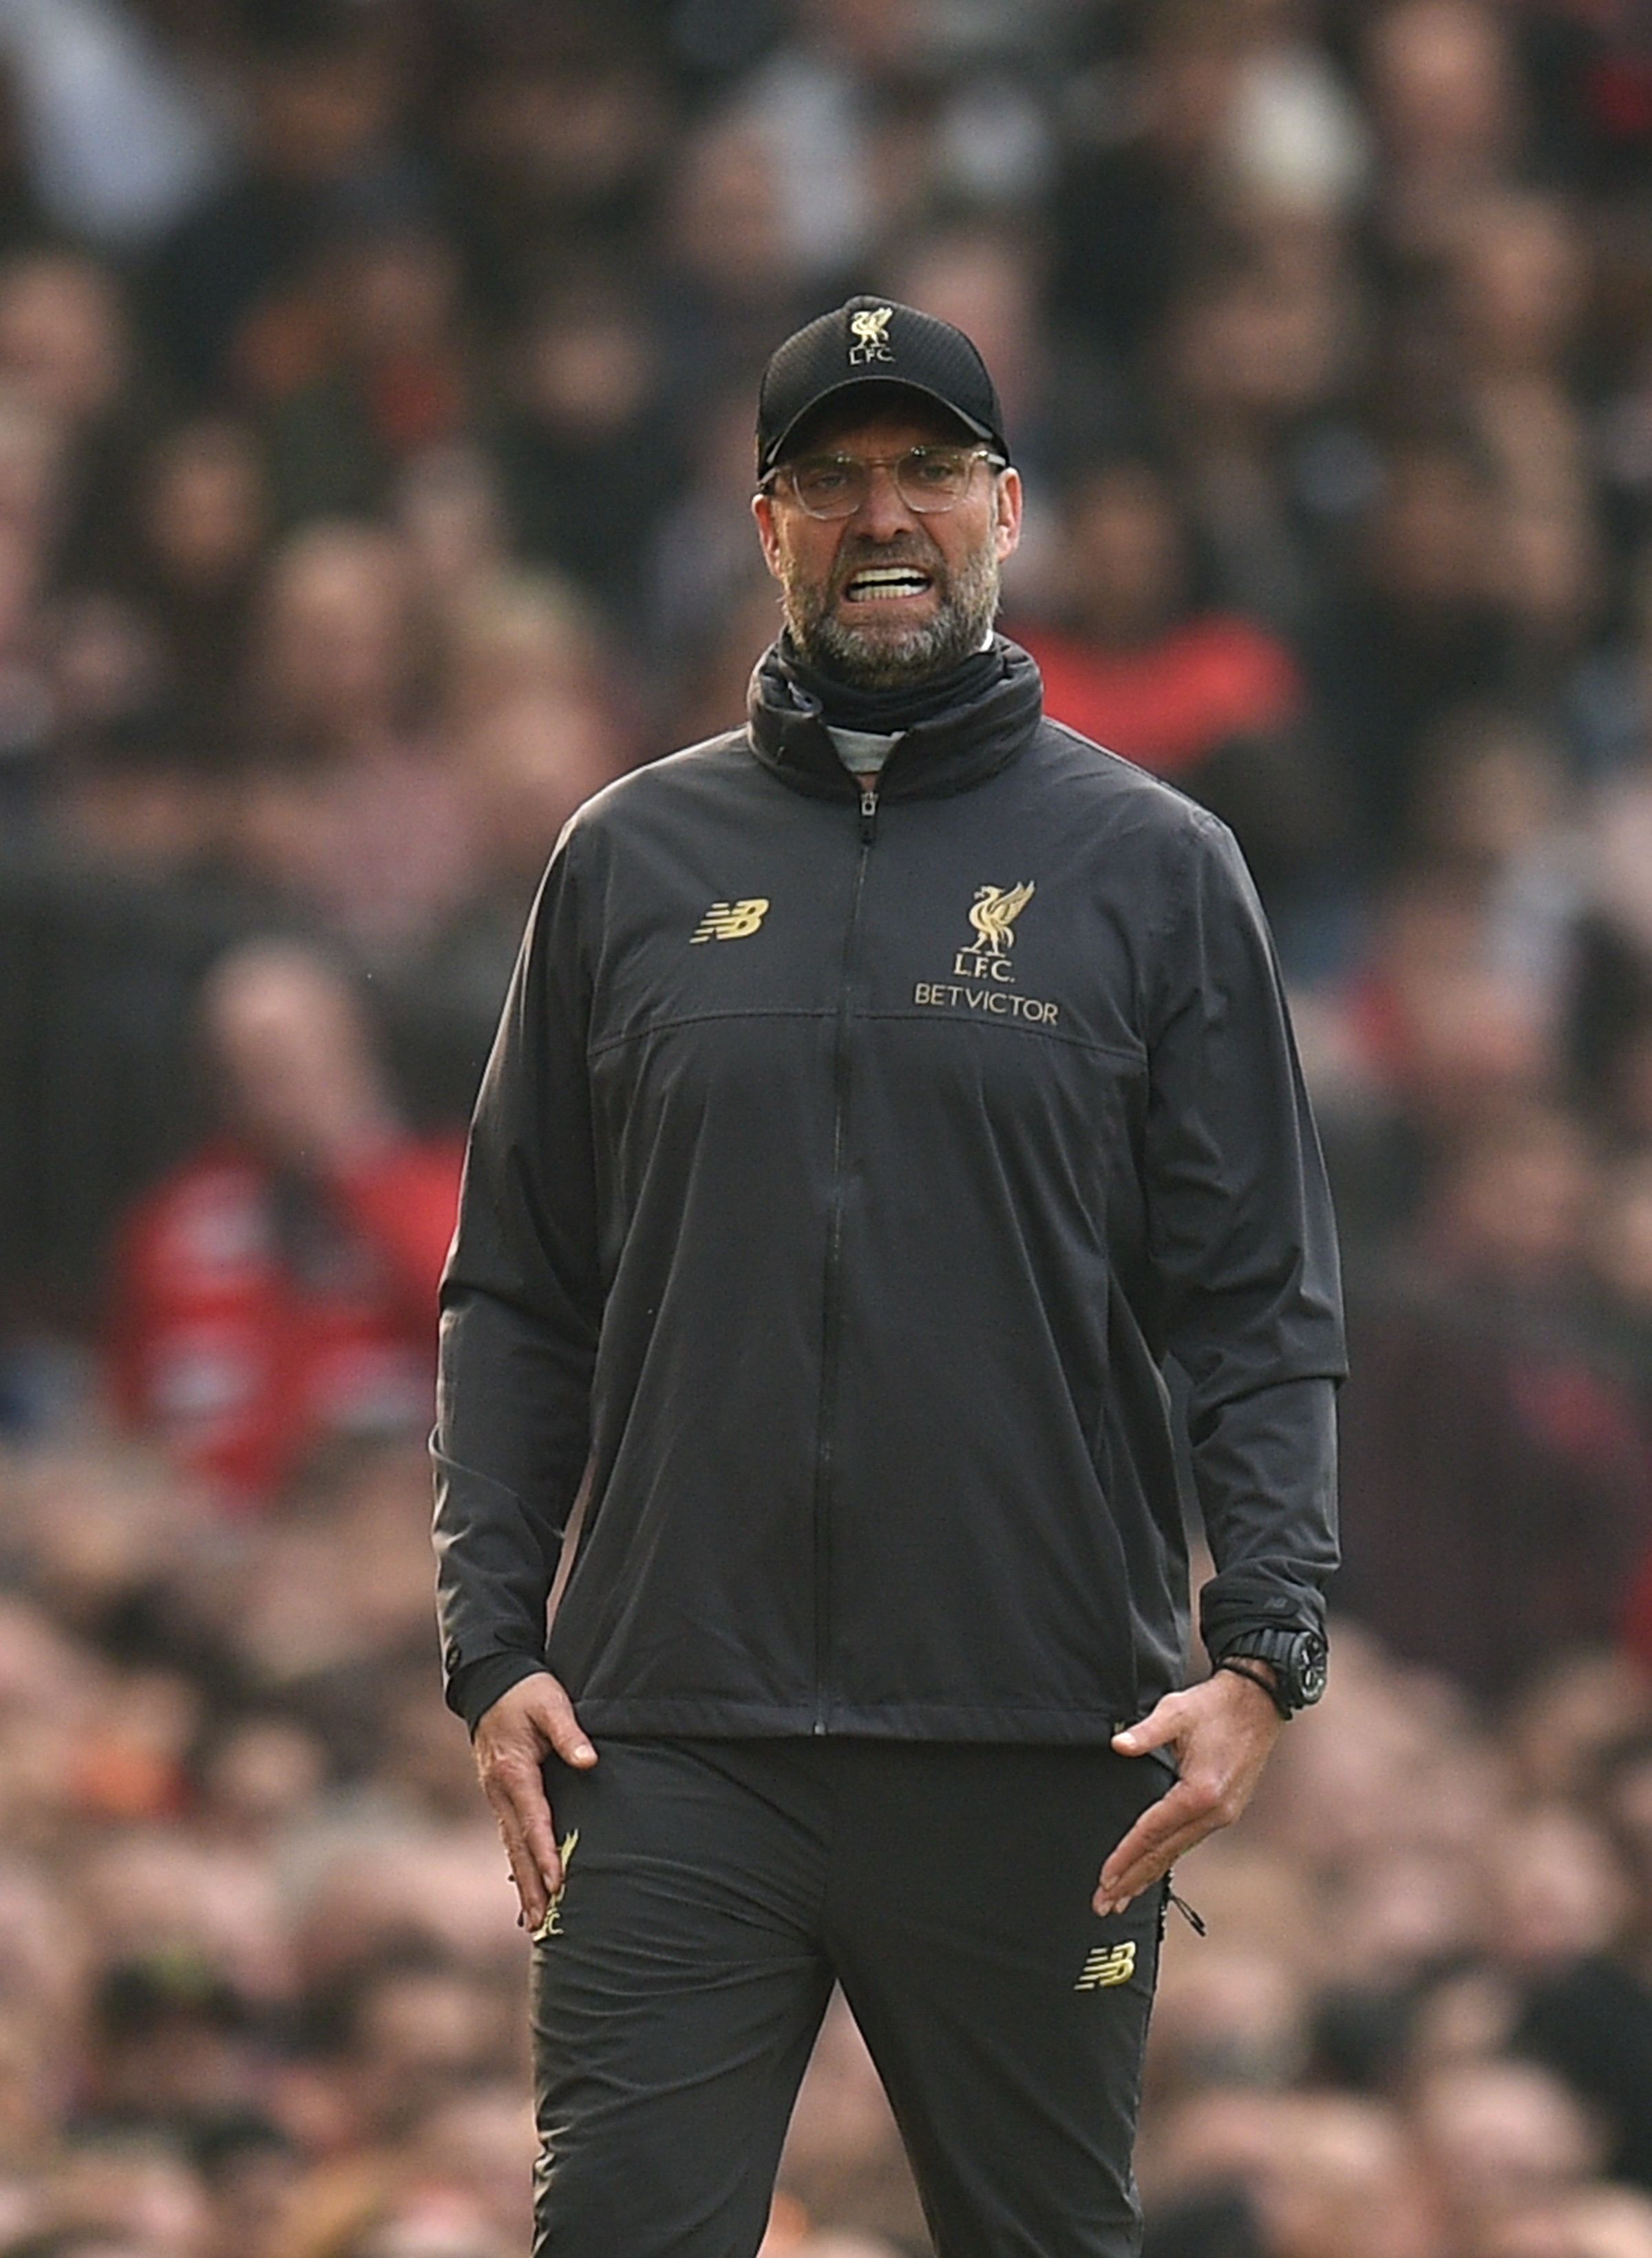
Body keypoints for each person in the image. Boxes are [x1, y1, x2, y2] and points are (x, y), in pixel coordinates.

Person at [432, 296, 1344, 2255]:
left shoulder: (1158, 868)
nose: (883, 517)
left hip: (1040, 1740)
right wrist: (492, 1643)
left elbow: (1260, 1298)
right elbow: (515, 1287)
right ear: (766, 526)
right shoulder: (626, 860)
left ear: (1009, 508)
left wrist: (1267, 1647)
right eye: (832, 481)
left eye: (926, 471)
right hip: (669, 1732)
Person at [108, 939, 459, 1505]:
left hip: (385, 1525)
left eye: (293, 1051)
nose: (275, 1081)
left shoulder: (439, 1187)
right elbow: (126, 1404)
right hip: (205, 1527)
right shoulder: (176, 1219)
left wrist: (354, 1155)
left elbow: (465, 1307)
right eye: (244, 1059)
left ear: (352, 1041)